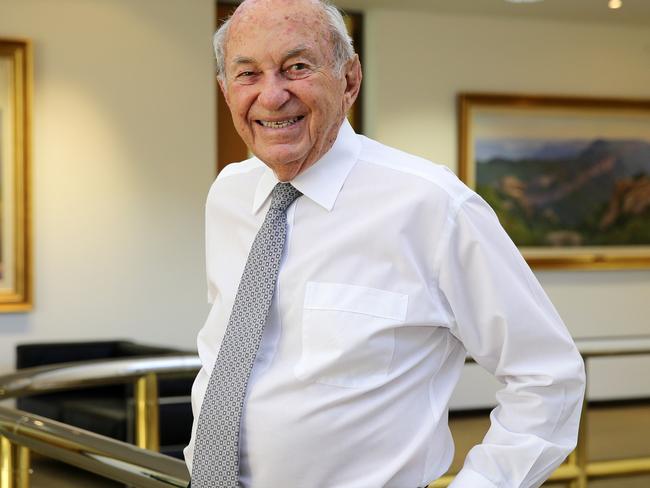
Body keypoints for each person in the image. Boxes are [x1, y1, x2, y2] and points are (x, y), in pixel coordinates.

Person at [184, 0, 586, 487]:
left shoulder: (432, 206)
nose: (272, 96)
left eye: (297, 67)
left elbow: (548, 376)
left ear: (349, 80)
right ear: (226, 90)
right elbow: (228, 349)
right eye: (247, 73)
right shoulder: (229, 195)